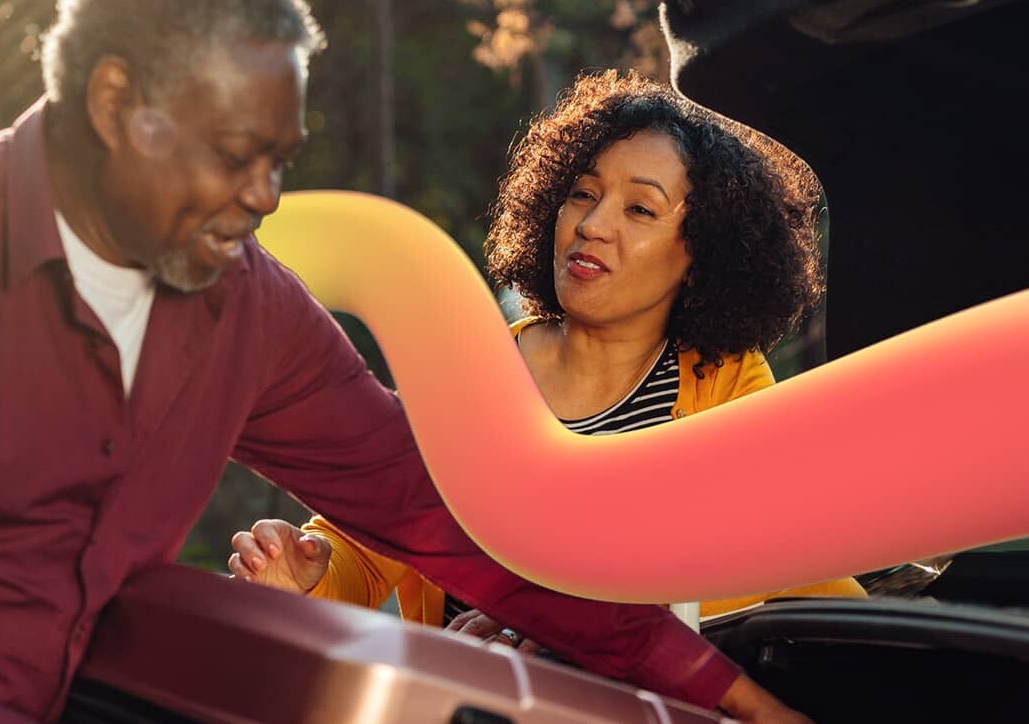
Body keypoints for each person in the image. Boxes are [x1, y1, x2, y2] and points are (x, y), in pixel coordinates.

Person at [0, 4, 840, 724]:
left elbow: (451, 517)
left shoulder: (243, 304)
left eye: (280, 159)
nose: (263, 199)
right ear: (114, 104)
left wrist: (735, 702)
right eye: (234, 154)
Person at [228, 71, 864, 661]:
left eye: (640, 209)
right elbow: (366, 550)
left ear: (702, 255)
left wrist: (573, 624)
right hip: (476, 718)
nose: (592, 225)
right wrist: (304, 576)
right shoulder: (465, 376)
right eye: (582, 193)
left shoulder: (725, 382)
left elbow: (786, 568)